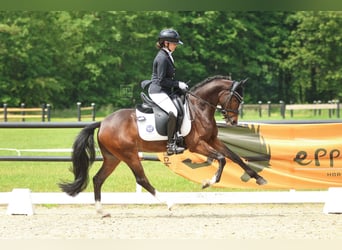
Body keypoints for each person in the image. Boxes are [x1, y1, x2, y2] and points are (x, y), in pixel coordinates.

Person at [148, 28, 188, 155]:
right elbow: (161, 80)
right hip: (158, 91)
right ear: (166, 43)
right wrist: (177, 84)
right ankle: (170, 144)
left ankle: (178, 136)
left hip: (165, 90)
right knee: (173, 111)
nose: (176, 46)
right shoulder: (162, 58)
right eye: (174, 43)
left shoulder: (167, 55)